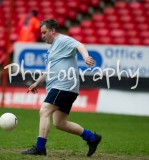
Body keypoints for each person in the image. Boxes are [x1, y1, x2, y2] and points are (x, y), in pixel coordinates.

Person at [21, 18, 102, 157]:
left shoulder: (62, 40)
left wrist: (86, 57)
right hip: (62, 87)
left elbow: (80, 45)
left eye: (44, 32)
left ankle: (40, 148)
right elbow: (50, 70)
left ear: (53, 30)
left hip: (63, 85)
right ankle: (91, 137)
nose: (42, 36)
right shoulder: (53, 48)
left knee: (44, 111)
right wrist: (37, 82)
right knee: (60, 123)